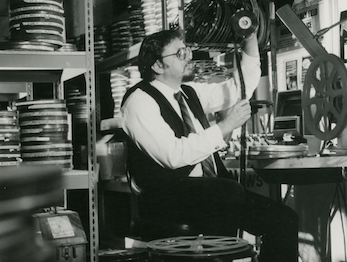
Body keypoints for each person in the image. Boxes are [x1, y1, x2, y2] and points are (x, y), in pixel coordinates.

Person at [120, 29, 299, 262]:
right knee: (227, 191)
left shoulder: (187, 93)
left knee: (284, 220)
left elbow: (237, 89)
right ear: (157, 66)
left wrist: (250, 39)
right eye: (179, 53)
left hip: (212, 194)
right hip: (167, 198)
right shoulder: (138, 101)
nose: (188, 57)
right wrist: (225, 126)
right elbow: (173, 155)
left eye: (187, 50)